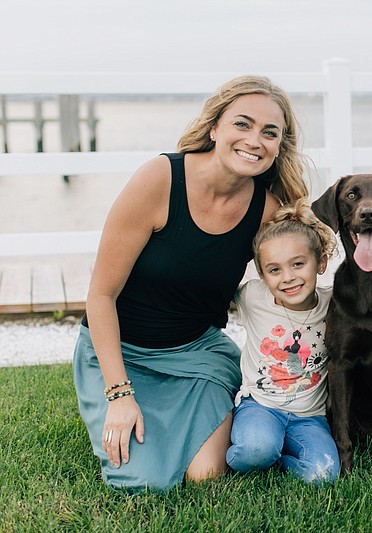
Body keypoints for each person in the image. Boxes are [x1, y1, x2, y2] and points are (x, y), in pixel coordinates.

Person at [72, 75, 310, 492]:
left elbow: (300, 270)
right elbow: (101, 296)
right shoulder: (160, 179)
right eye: (243, 124)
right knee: (144, 483)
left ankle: (269, 425)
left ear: (278, 146)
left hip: (196, 353)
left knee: (205, 475)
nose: (255, 140)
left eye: (269, 133)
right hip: (119, 351)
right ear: (214, 127)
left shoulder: (266, 210)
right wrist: (119, 393)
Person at [225, 199, 340, 483]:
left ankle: (278, 461)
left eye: (298, 264)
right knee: (253, 451)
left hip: (311, 418)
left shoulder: (335, 304)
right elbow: (208, 288)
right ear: (262, 275)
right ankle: (264, 451)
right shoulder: (253, 297)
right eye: (274, 270)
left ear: (321, 262)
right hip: (260, 406)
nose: (288, 278)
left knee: (323, 475)